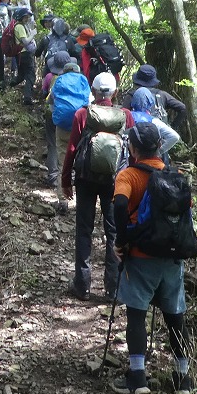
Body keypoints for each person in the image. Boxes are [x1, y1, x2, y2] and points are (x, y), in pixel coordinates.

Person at [112, 122, 194, 394]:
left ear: (133, 148)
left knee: (136, 314)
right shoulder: (177, 177)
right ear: (160, 146)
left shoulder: (128, 175)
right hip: (172, 258)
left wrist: (121, 241)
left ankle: (138, 378)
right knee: (175, 317)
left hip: (140, 255)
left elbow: (119, 205)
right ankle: (183, 379)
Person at [61, 72, 130, 300]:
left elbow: (72, 149)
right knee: (113, 231)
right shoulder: (125, 116)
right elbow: (132, 151)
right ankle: (113, 289)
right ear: (115, 92)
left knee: (84, 230)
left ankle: (82, 286)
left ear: (93, 90)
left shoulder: (83, 114)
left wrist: (66, 180)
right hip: (115, 181)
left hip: (86, 179)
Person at [118, 64, 188, 136]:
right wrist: (172, 127)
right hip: (160, 136)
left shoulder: (132, 95)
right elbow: (183, 108)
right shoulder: (162, 95)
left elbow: (122, 115)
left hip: (137, 136)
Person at [39, 51, 73, 188]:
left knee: (53, 144)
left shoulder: (49, 77)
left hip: (52, 113)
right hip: (72, 116)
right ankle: (69, 175)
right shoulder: (76, 79)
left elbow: (44, 93)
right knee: (70, 145)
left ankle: (53, 176)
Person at [129, 87, 181, 161]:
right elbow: (174, 136)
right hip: (150, 160)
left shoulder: (126, 116)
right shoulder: (154, 121)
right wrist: (159, 152)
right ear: (150, 103)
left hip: (129, 159)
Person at [7, 8, 38, 105]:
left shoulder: (21, 26)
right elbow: (25, 41)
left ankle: (6, 85)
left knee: (21, 75)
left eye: (28, 17)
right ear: (20, 17)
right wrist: (33, 34)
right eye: (25, 17)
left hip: (21, 54)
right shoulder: (19, 27)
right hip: (25, 54)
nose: (27, 19)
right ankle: (27, 98)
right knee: (31, 76)